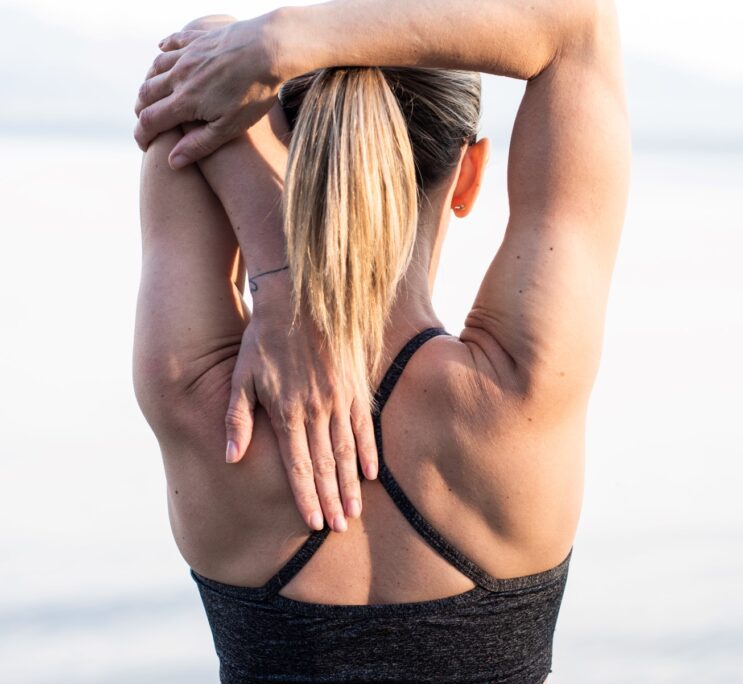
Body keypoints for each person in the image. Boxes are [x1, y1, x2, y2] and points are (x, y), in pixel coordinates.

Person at [132, 1, 629, 681]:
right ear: (471, 175)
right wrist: (285, 42)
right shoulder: (525, 389)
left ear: (303, 157)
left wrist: (280, 278)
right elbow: (579, 28)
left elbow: (185, 77)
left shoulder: (198, 396)